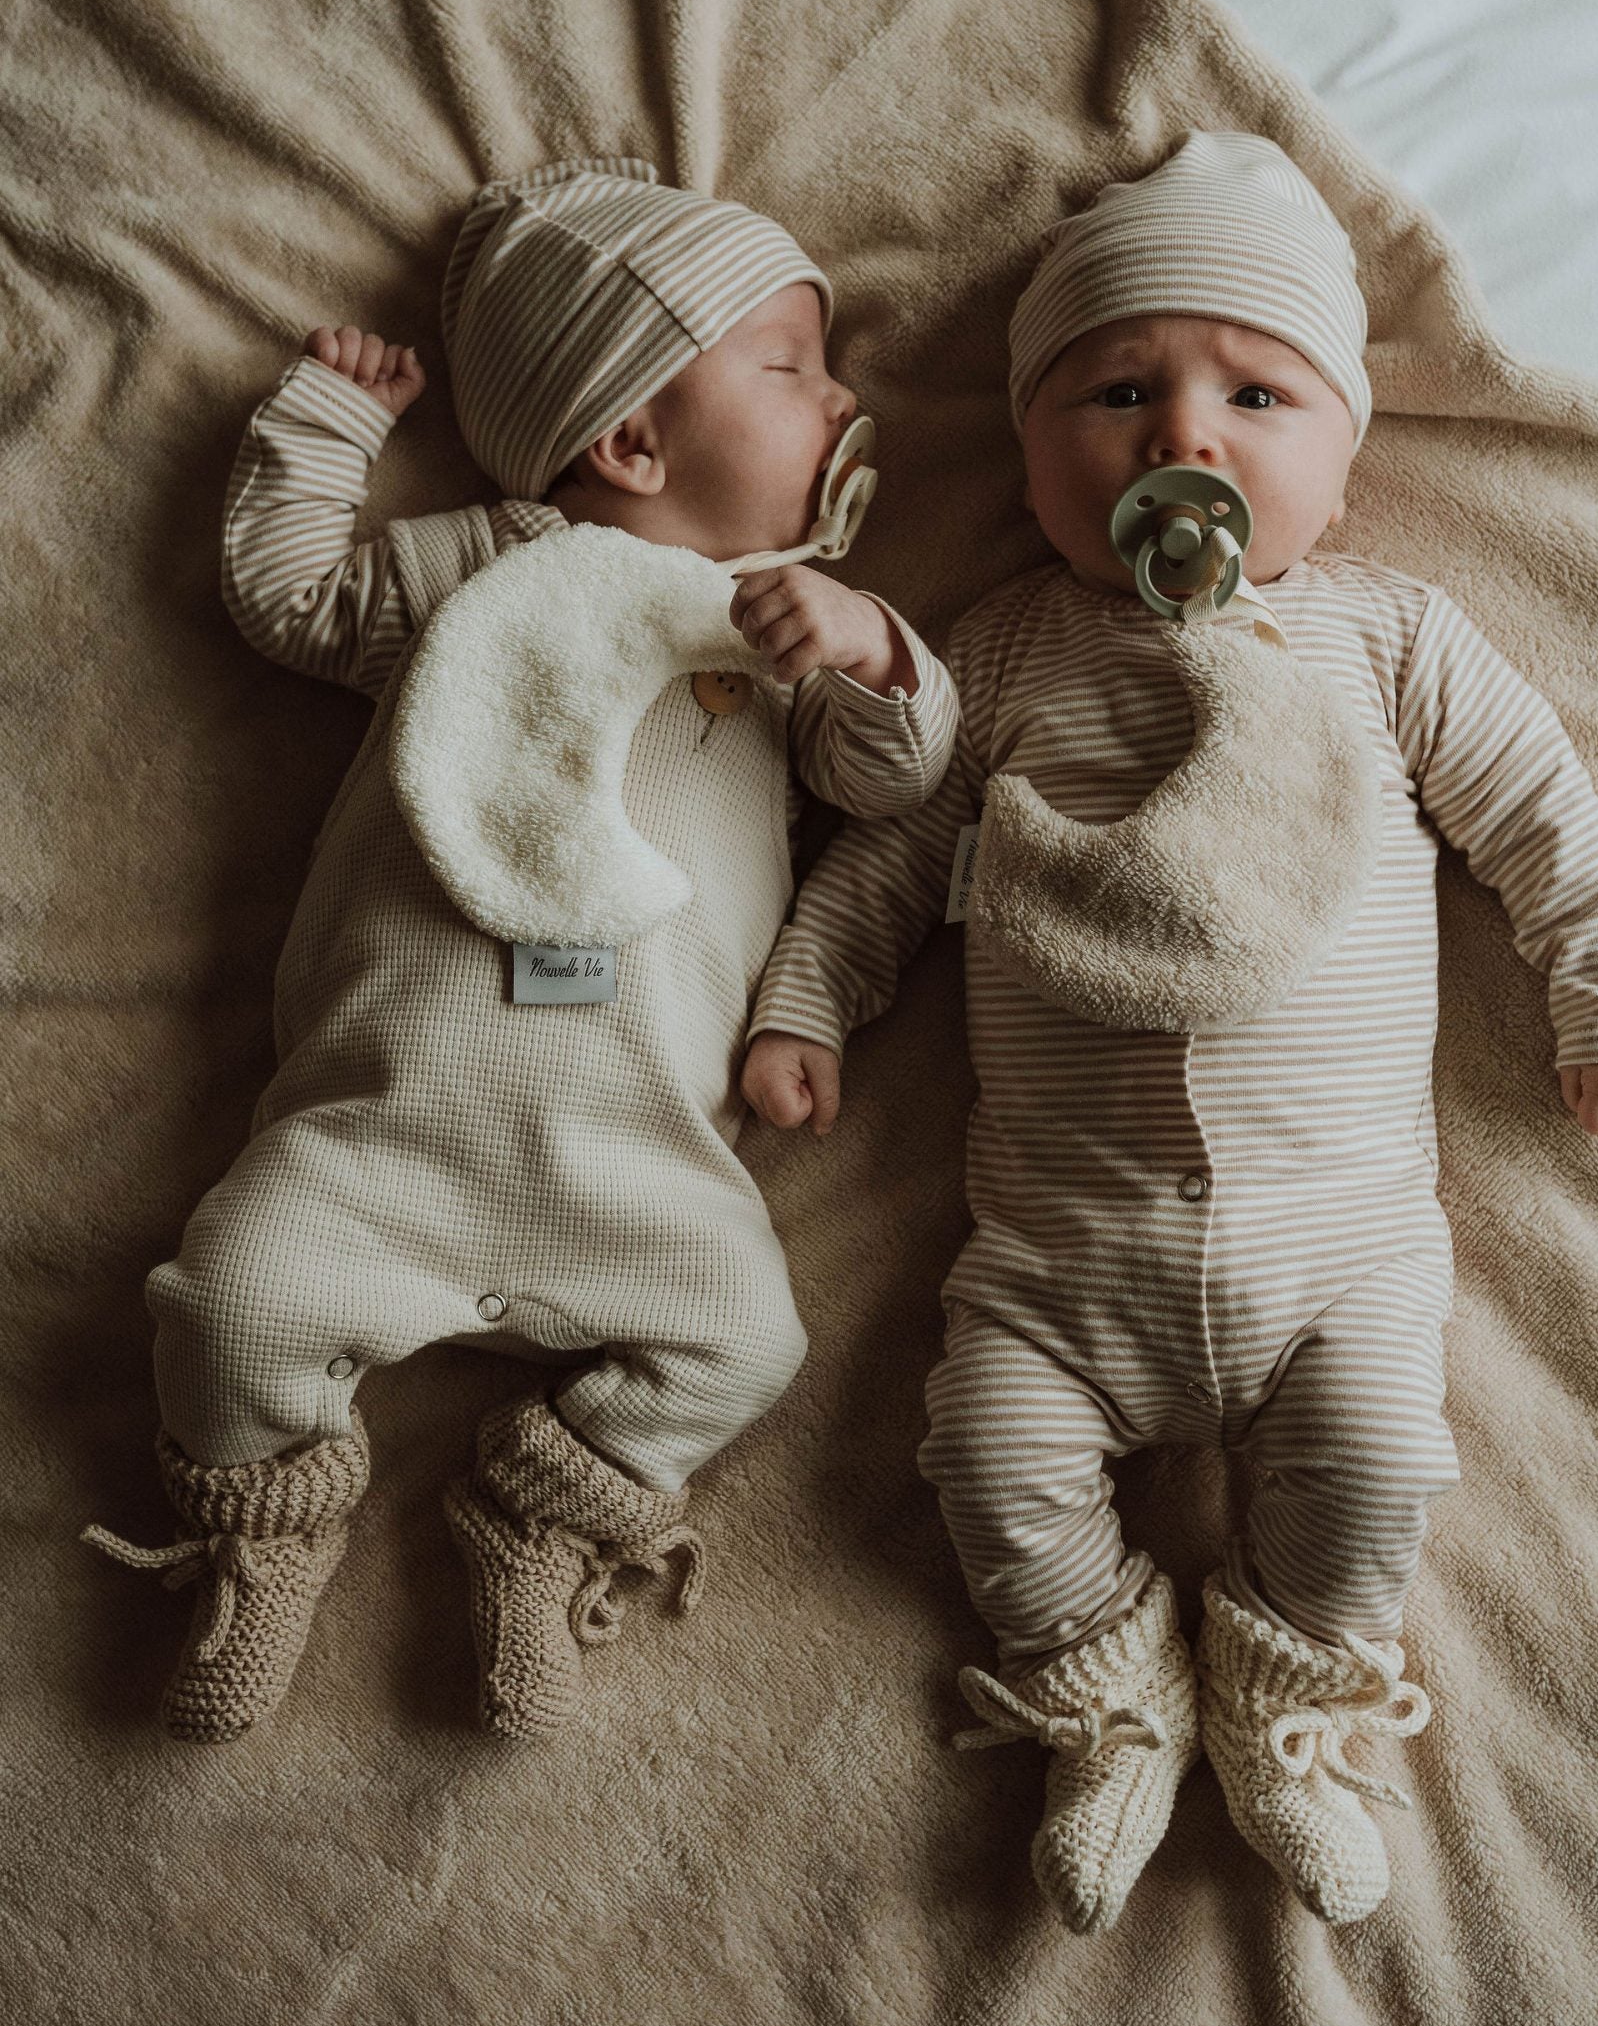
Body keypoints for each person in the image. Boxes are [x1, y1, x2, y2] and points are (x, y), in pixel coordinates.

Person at [742, 131, 1598, 1929]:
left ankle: (1286, 1700)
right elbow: (890, 862)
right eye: (1113, 392)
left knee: (1380, 1464)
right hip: (1057, 1257)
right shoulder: (1003, 657)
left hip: (1339, 1244)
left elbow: (1547, 824)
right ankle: (1106, 1689)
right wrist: (809, 1002)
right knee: (984, 1453)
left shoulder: (1387, 639)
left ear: (1339, 457)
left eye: (1256, 393)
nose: (1184, 437)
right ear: (1030, 461)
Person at [84, 158, 958, 1748]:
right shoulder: (466, 573)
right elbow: (287, 598)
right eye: (788, 364)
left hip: (640, 1163)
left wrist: (873, 646)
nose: (844, 398)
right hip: (374, 1137)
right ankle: (263, 1535)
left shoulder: (774, 621)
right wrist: (325, 428)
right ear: (630, 437)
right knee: (227, 1305)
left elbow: (897, 783)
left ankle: (542, 1515)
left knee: (746, 1334)